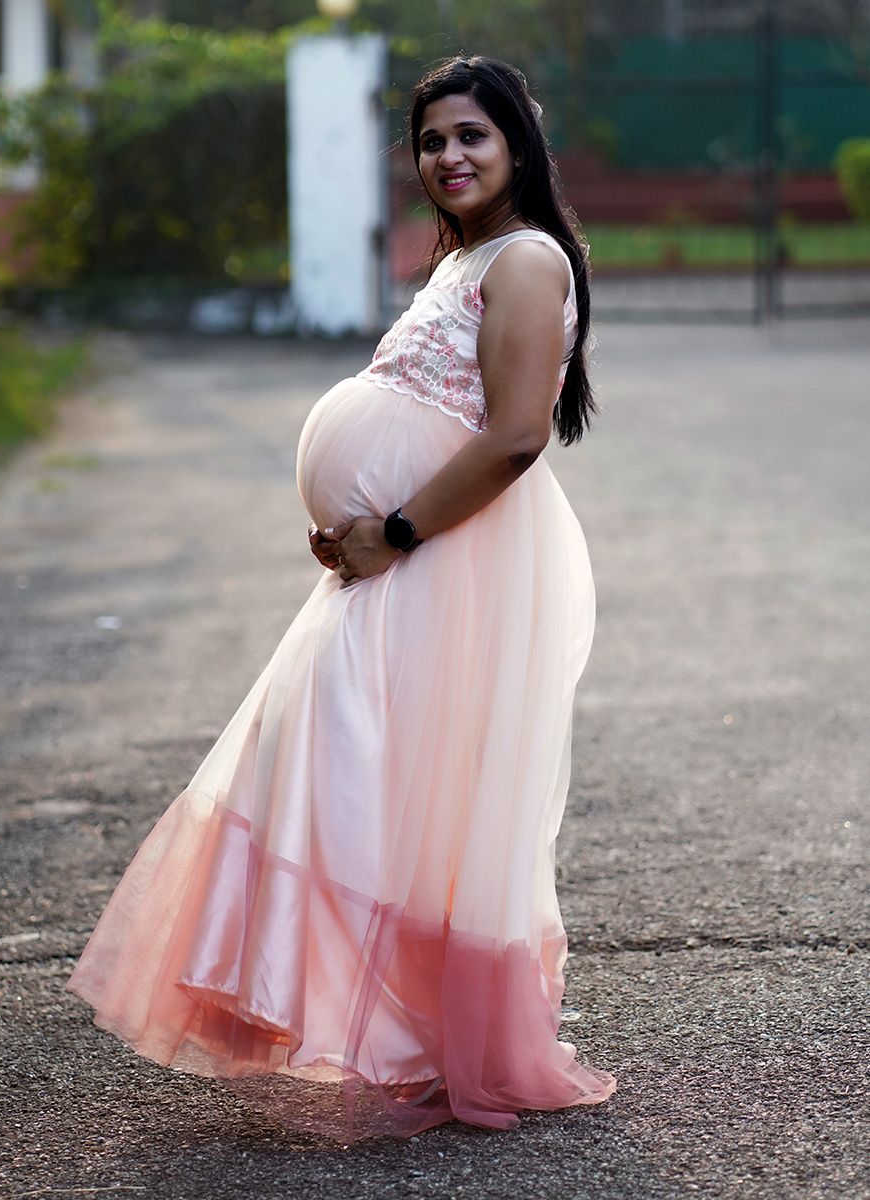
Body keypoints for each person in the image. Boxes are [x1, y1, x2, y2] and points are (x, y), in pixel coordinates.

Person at [65, 54, 618, 1144]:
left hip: (443, 560)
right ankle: (395, 1030)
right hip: (398, 557)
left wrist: (395, 528)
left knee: (387, 777)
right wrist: (355, 519)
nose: (449, 156)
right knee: (354, 766)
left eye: (471, 136)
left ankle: (426, 1034)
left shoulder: (528, 260)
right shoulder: (462, 260)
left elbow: (513, 435)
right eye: (431, 141)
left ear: (518, 146)